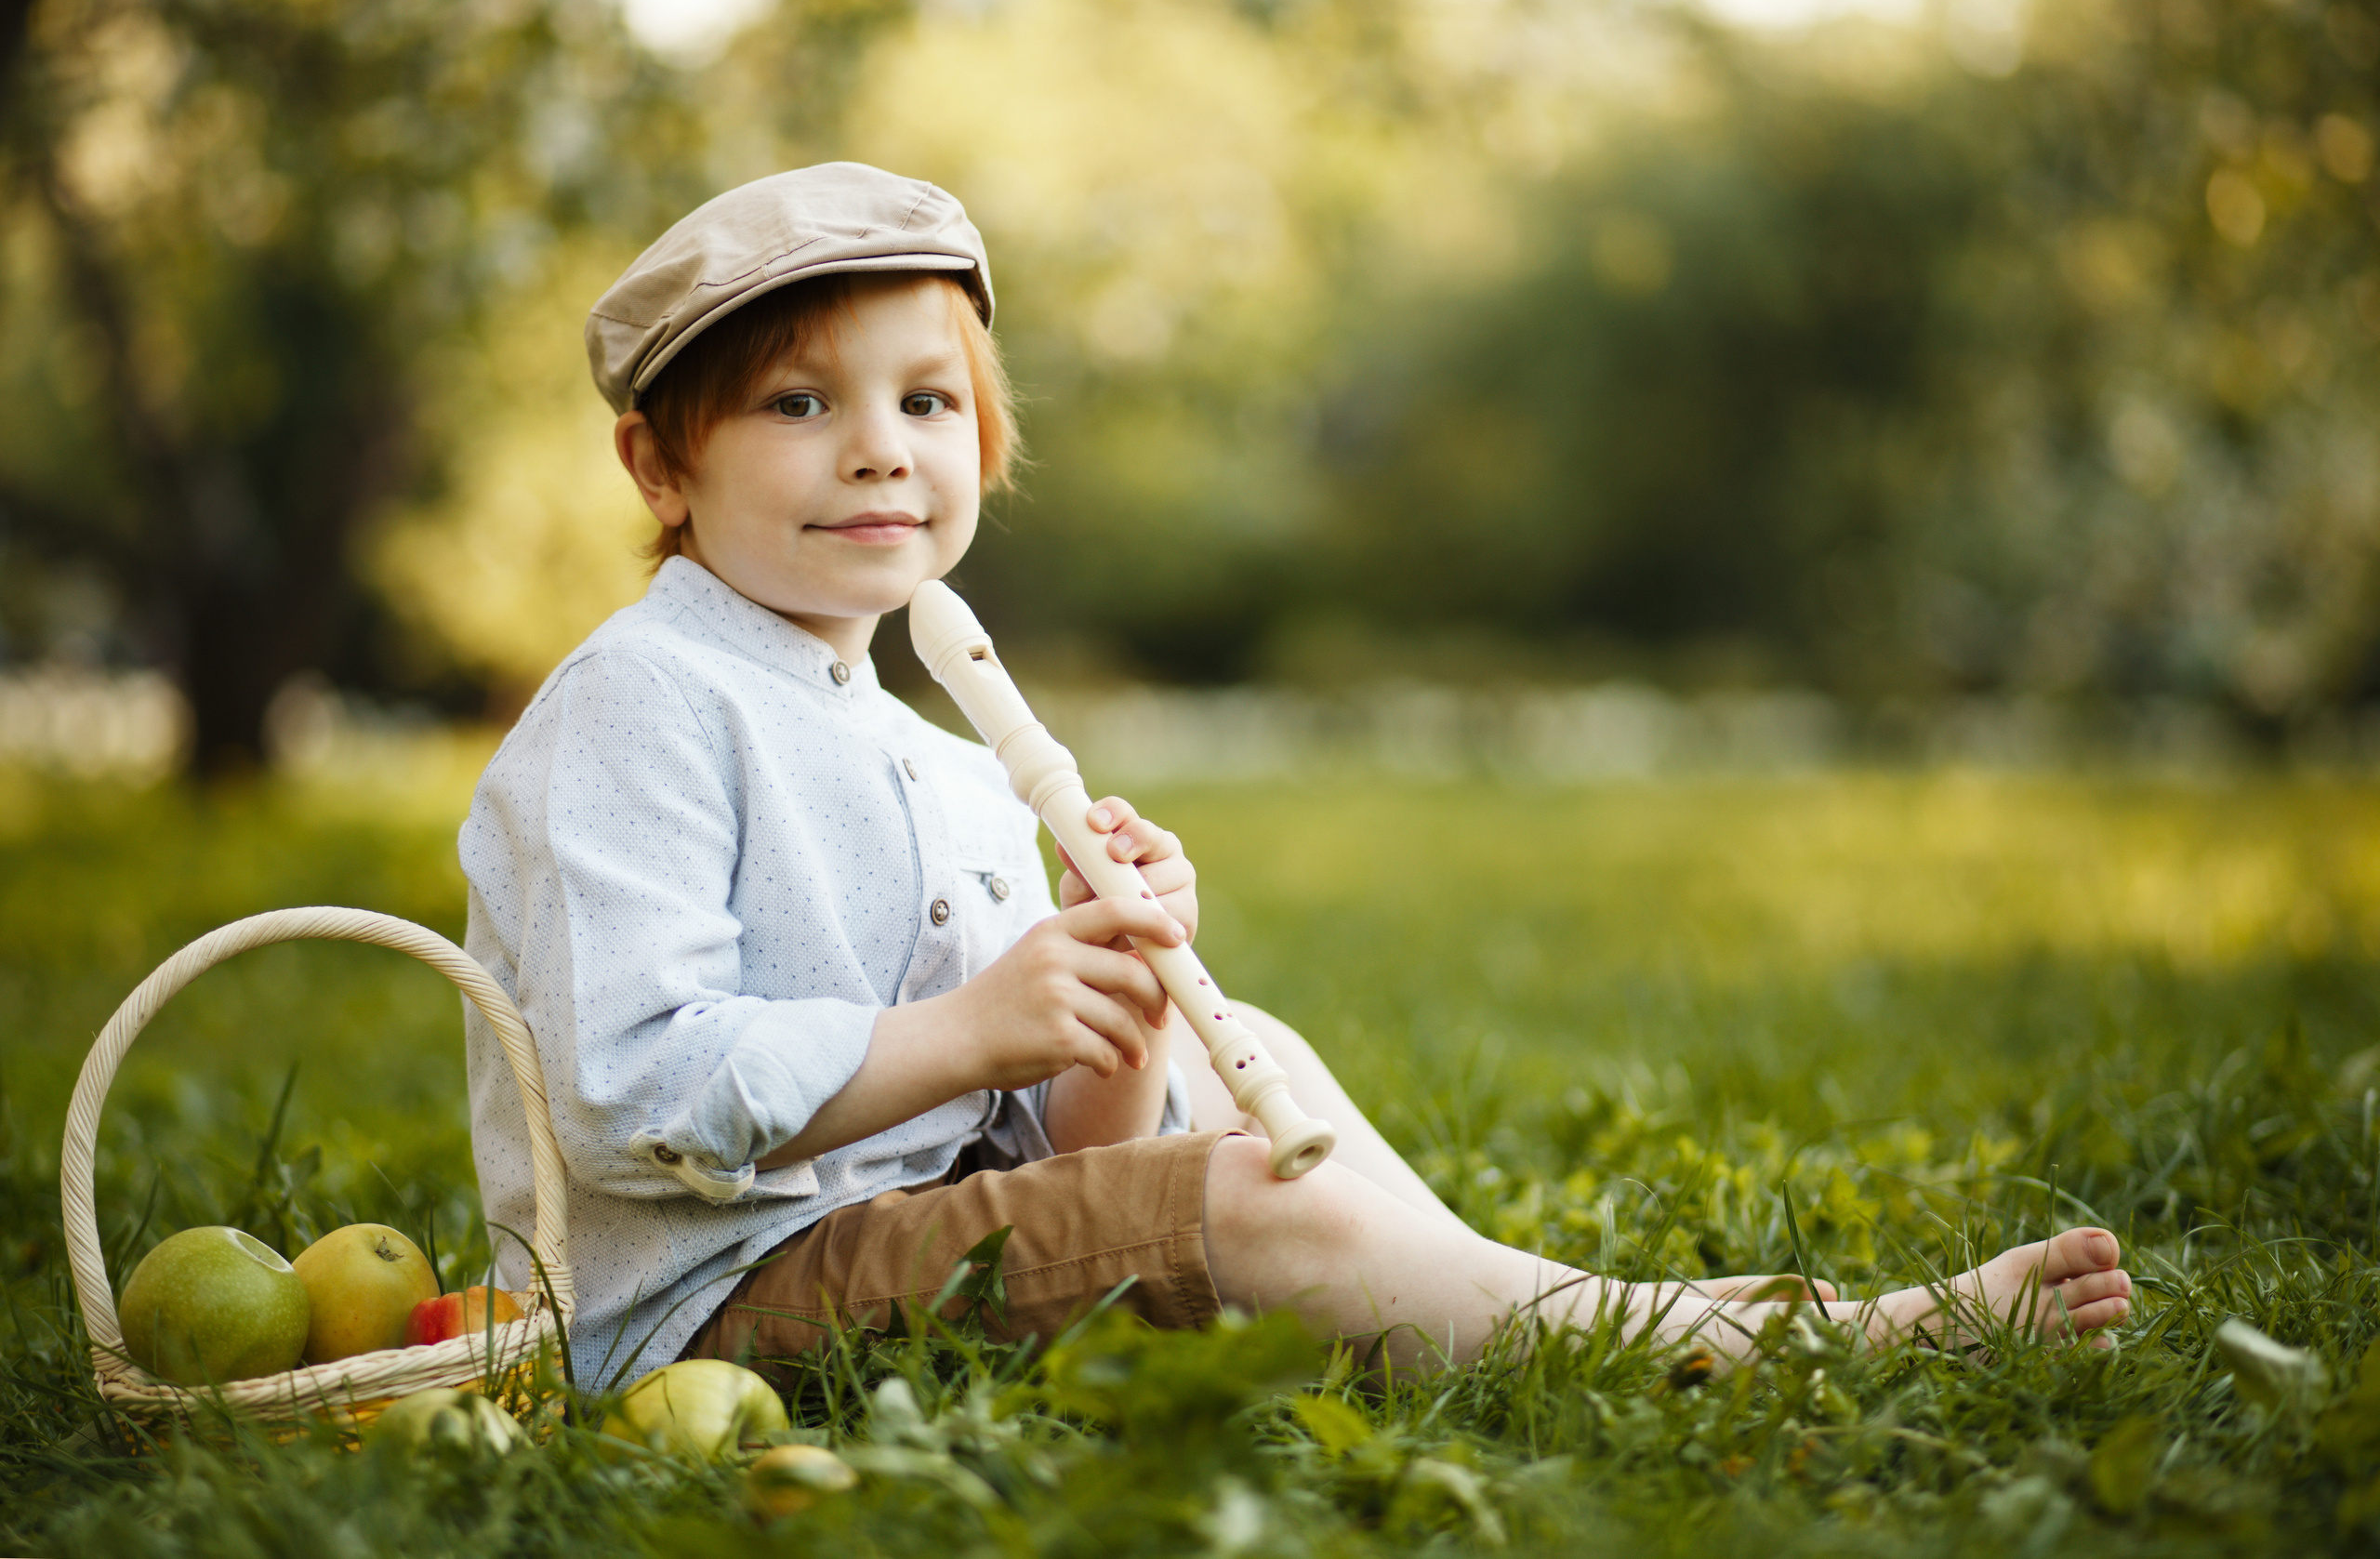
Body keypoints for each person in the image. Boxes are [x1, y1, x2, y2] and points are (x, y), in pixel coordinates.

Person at [457, 163, 2132, 1391]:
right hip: (716, 1311)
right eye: (801, 401)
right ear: (660, 464)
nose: (883, 446)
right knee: (1252, 1203)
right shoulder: (645, 704)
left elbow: (1043, 1144)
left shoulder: (940, 752)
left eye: (928, 400)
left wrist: (1104, 1010)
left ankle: (1545, 1312)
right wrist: (972, 1025)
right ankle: (1743, 1348)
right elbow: (635, 1097)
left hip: (913, 1243)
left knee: (1235, 1040)